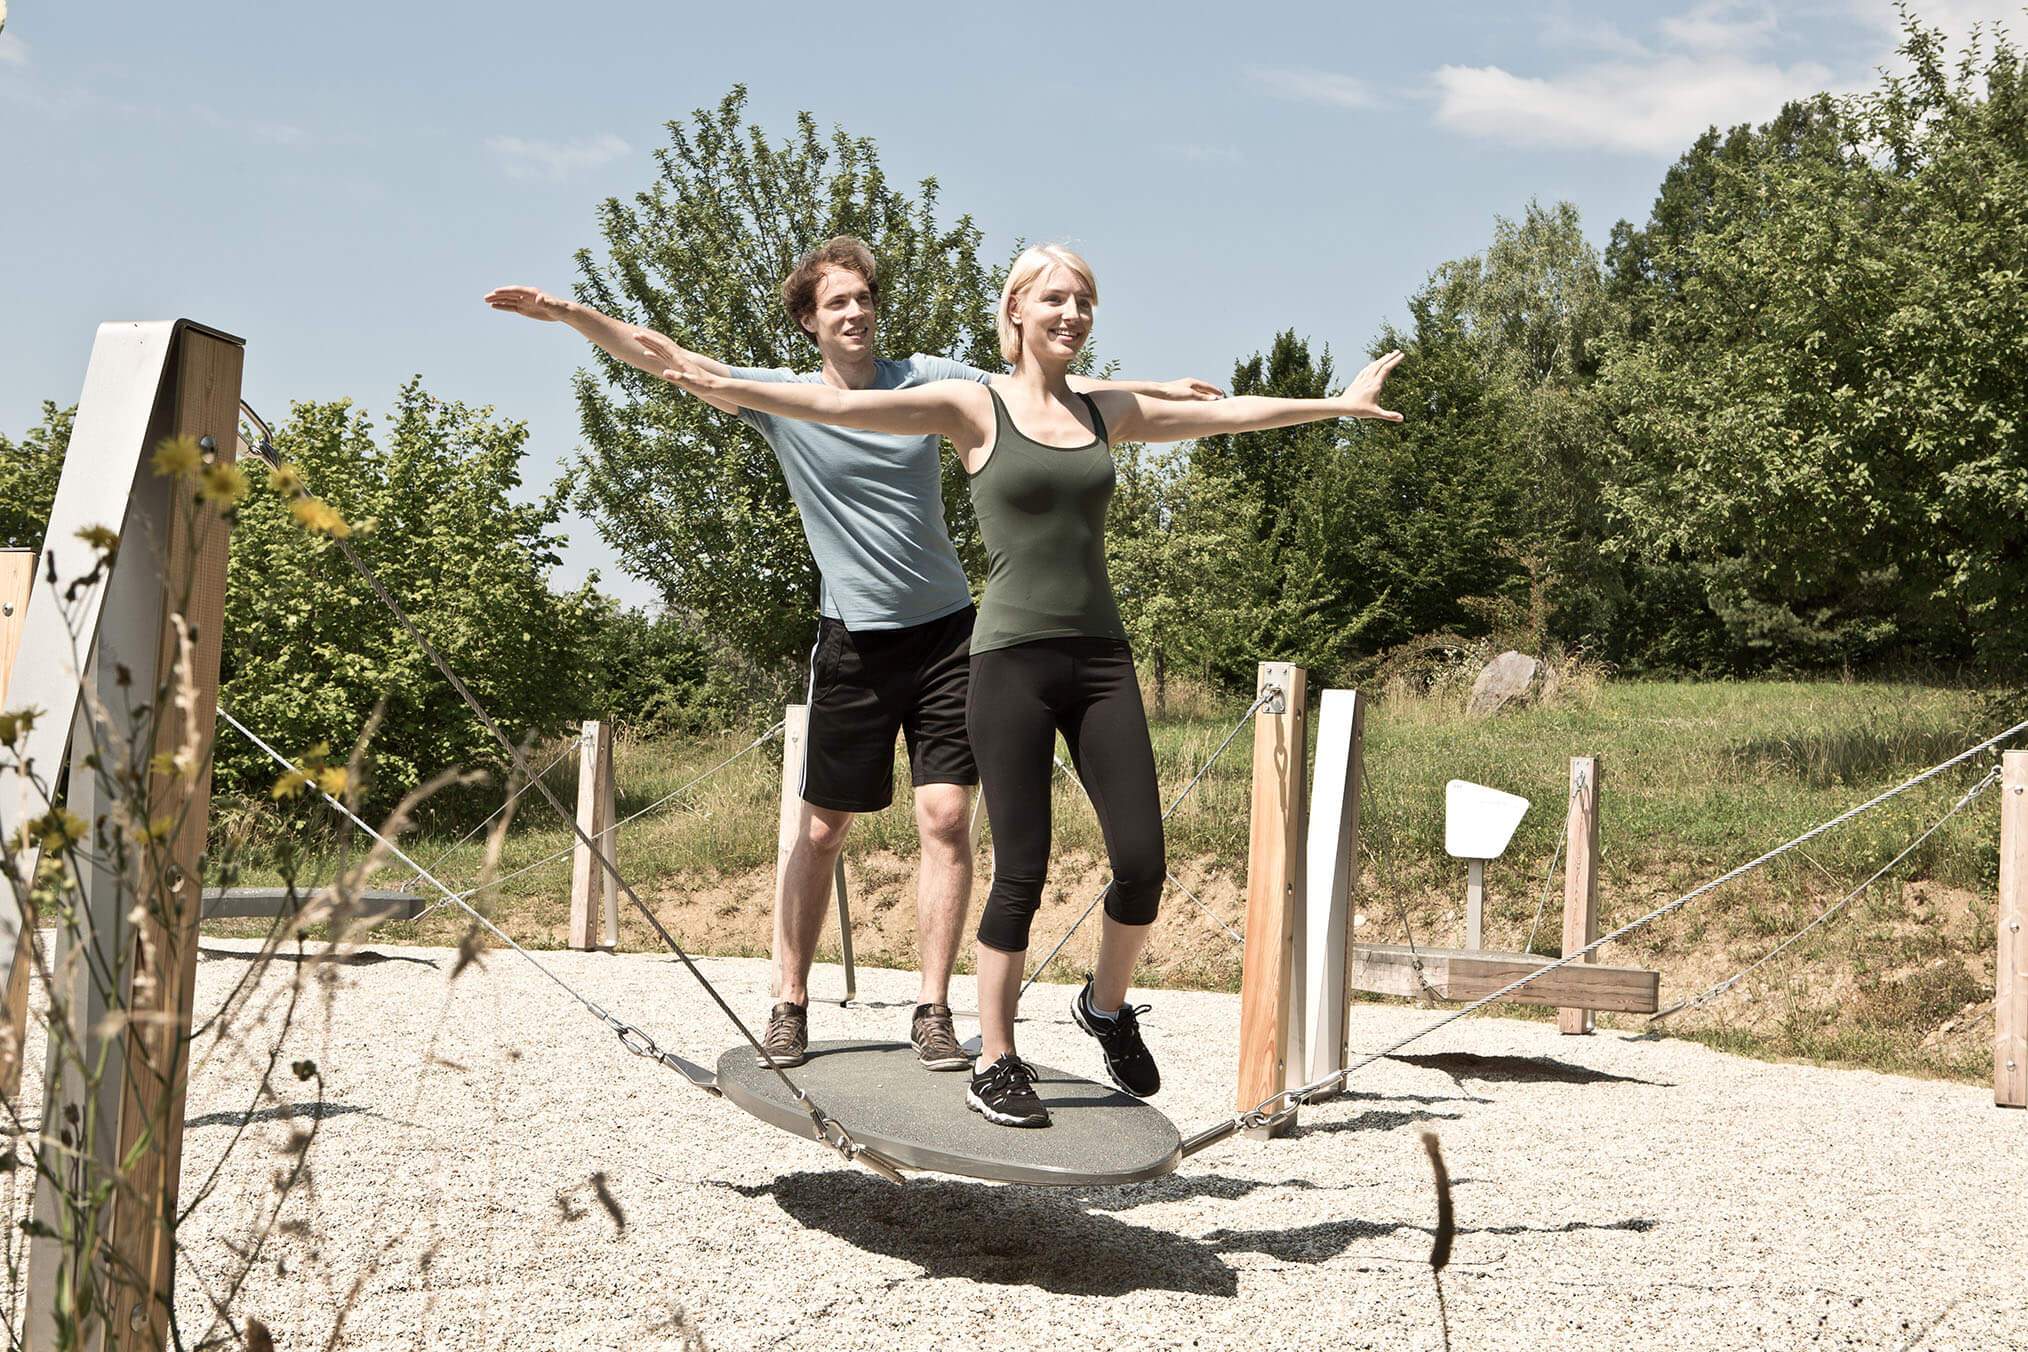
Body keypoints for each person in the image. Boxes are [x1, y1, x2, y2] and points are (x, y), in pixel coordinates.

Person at [646, 244, 1404, 1127]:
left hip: (1100, 658)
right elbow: (820, 400)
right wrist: (696, 372)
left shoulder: (1103, 409)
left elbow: (1230, 415)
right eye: (1055, 298)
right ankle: (992, 1056)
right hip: (1004, 658)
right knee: (1020, 868)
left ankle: (1105, 1008)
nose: (1072, 312)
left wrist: (1335, 405)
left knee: (1143, 866)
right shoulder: (970, 405)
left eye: (1084, 300)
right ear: (1015, 309)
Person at [486, 238, 1221, 1075]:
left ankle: (934, 1008)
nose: (857, 312)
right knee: (825, 828)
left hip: (949, 634)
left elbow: (1040, 391)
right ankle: (790, 1000)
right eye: (838, 303)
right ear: (809, 321)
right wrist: (571, 315)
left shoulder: (927, 378)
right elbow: (669, 360)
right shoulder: (782, 398)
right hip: (852, 642)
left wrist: (1156, 390)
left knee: (947, 821)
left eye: (865, 298)